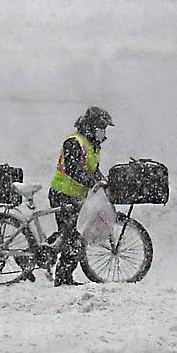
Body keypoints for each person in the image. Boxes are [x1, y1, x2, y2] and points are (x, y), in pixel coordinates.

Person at [48, 106, 112, 287]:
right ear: (92, 127)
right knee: (72, 239)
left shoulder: (92, 146)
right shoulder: (74, 142)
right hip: (62, 194)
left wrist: (103, 181)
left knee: (69, 234)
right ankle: (62, 278)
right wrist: (92, 182)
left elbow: (92, 169)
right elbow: (73, 170)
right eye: (101, 128)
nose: (103, 132)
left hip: (75, 196)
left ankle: (54, 258)